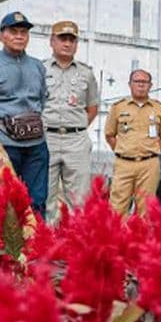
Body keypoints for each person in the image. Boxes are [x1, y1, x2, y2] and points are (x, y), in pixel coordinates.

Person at [0, 11, 49, 215]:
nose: (19, 36)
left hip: (36, 143)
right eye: (13, 31)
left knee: (37, 199)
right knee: (6, 200)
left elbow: (42, 99)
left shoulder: (38, 66)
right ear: (1, 36)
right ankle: (7, 244)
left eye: (23, 32)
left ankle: (36, 243)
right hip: (3, 143)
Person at [43, 20, 100, 223]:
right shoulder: (40, 70)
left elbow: (92, 108)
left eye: (72, 40)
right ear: (52, 41)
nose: (67, 44)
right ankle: (45, 241)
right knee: (45, 195)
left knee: (79, 199)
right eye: (62, 39)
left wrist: (76, 127)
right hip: (46, 137)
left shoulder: (86, 73)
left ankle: (74, 244)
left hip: (76, 139)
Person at [105, 69, 161, 216]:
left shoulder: (159, 108)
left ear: (150, 85)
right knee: (117, 206)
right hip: (124, 163)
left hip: (149, 164)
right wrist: (124, 150)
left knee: (146, 207)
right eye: (137, 81)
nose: (141, 85)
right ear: (130, 84)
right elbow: (109, 135)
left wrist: (150, 151)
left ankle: (141, 238)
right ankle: (117, 238)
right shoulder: (118, 107)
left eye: (145, 82)